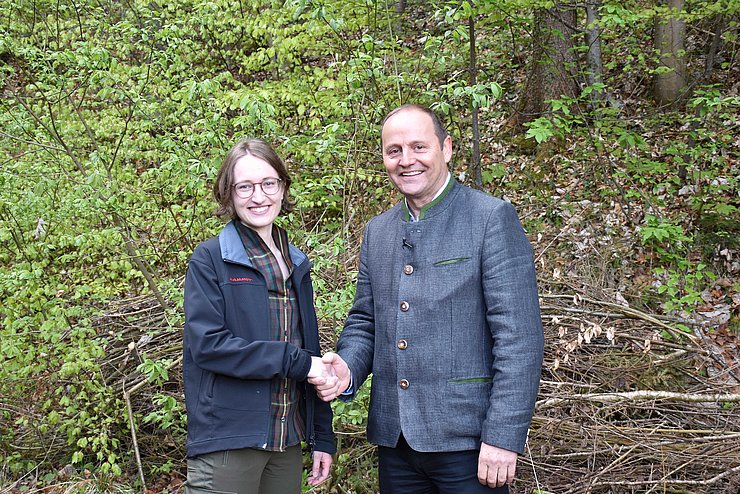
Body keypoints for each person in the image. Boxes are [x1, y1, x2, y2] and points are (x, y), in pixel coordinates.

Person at [310, 104, 544, 493]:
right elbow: (367, 321)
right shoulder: (378, 232)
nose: (406, 161)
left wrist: (503, 436)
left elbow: (519, 339)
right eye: (394, 151)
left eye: (419, 147)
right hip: (396, 443)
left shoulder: (490, 218)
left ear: (446, 148)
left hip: (470, 445)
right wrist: (347, 368)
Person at [183, 138, 335, 494]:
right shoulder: (210, 260)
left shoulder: (296, 262)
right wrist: (297, 362)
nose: (259, 196)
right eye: (245, 186)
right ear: (229, 194)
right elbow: (209, 346)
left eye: (269, 183)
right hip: (229, 441)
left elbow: (308, 351)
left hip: (287, 440)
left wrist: (322, 436)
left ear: (282, 188)